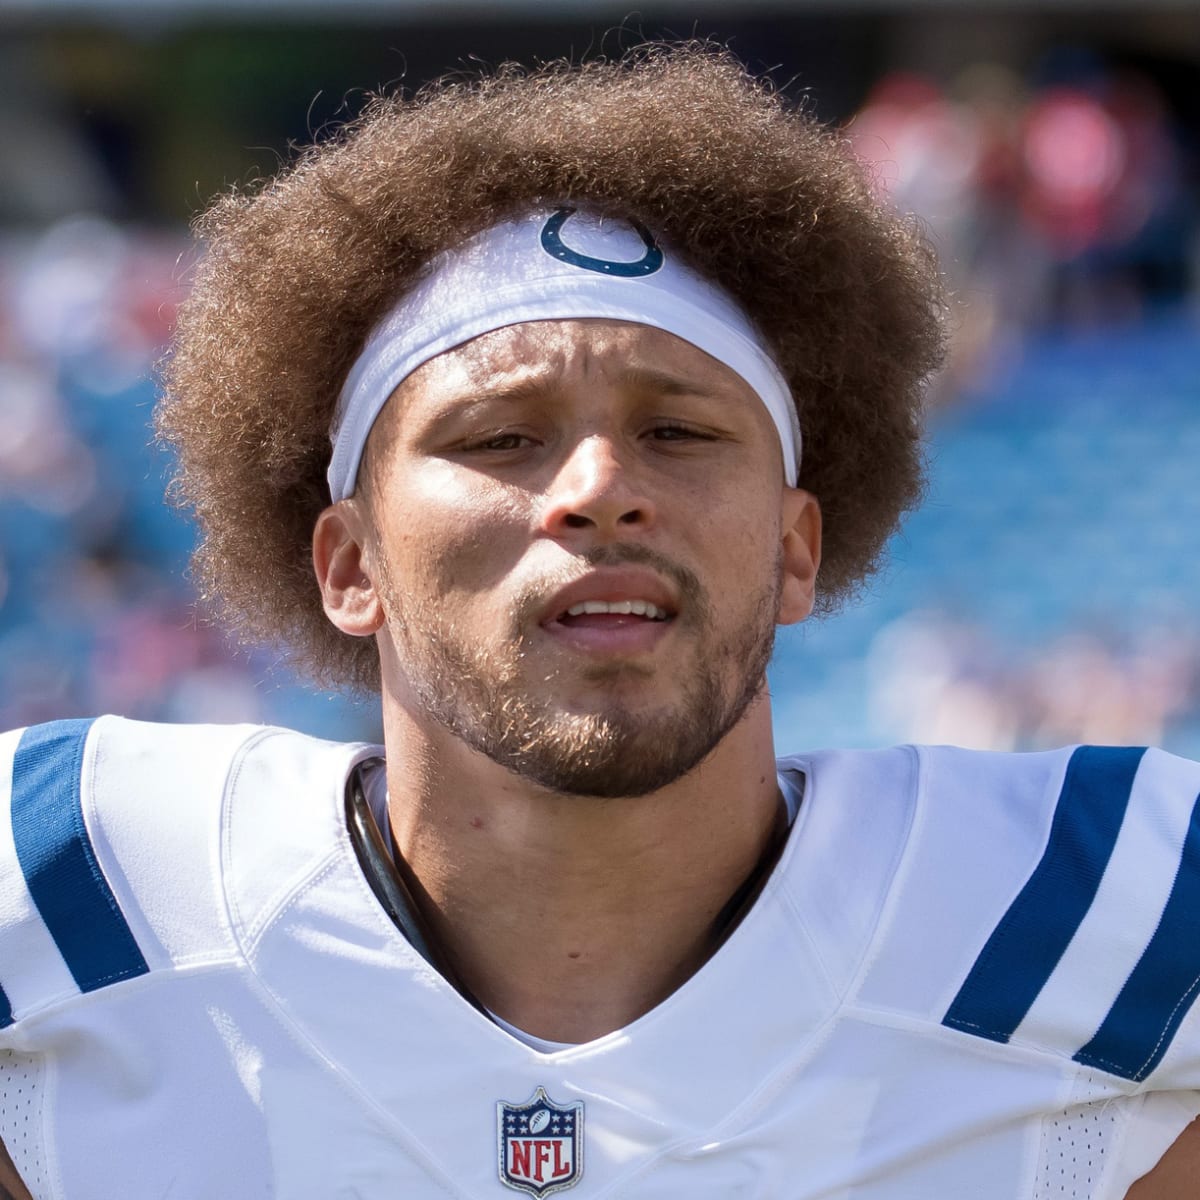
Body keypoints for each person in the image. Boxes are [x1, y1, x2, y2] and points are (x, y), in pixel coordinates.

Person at [0, 44, 1196, 1200]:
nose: (599, 487)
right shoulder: (74, 898)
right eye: (500, 436)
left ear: (794, 550)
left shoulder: (1096, 917)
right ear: (349, 562)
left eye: (678, 431)